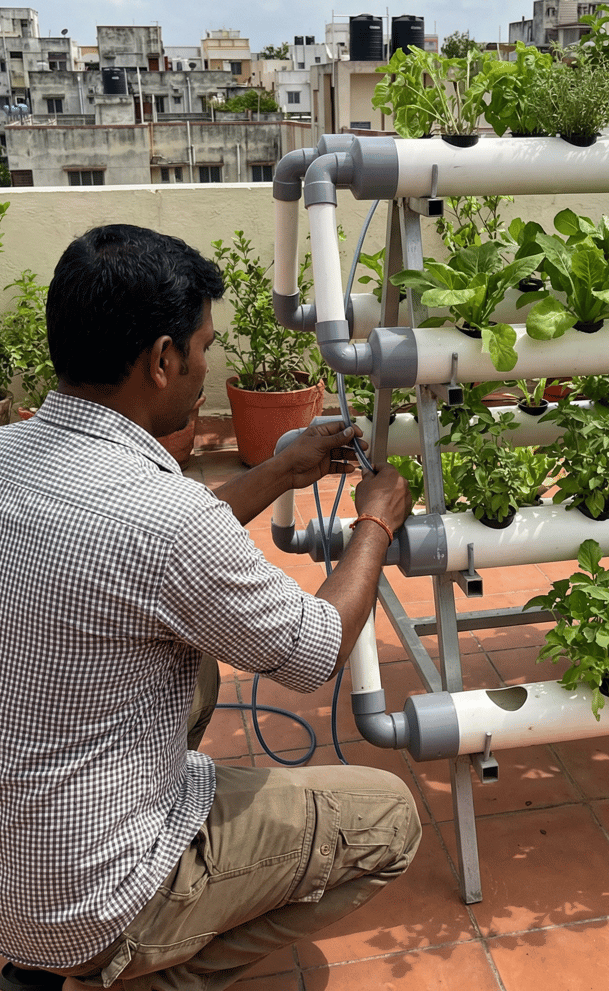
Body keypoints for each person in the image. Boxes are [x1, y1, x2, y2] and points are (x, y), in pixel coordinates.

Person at [0, 225, 419, 991]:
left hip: (15, 871)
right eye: (201, 347)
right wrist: (377, 521)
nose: (206, 367)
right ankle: (142, 969)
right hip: (89, 897)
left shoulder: (10, 453)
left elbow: (149, 554)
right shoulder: (163, 517)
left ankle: (42, 956)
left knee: (191, 673)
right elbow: (316, 649)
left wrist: (281, 469)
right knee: (390, 818)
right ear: (162, 359)